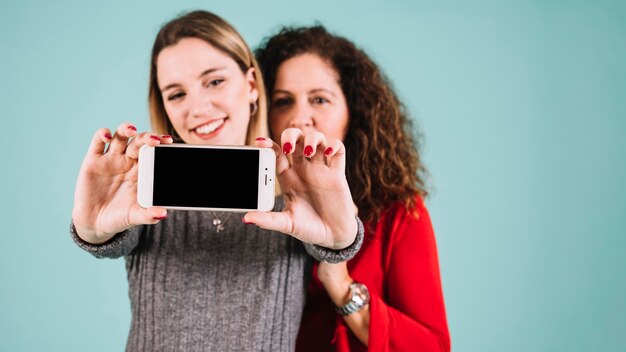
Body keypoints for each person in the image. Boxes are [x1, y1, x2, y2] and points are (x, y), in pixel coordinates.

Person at [70, 11, 363, 352]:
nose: (198, 107)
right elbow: (108, 238)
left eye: (214, 81)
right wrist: (91, 232)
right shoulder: (145, 194)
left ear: (252, 86)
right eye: (177, 94)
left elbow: (334, 242)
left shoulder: (294, 199)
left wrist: (342, 239)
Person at [256, 25, 451, 351]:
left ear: (353, 113)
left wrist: (339, 281)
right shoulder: (254, 212)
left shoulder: (398, 212)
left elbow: (433, 346)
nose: (299, 118)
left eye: (320, 99)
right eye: (282, 101)